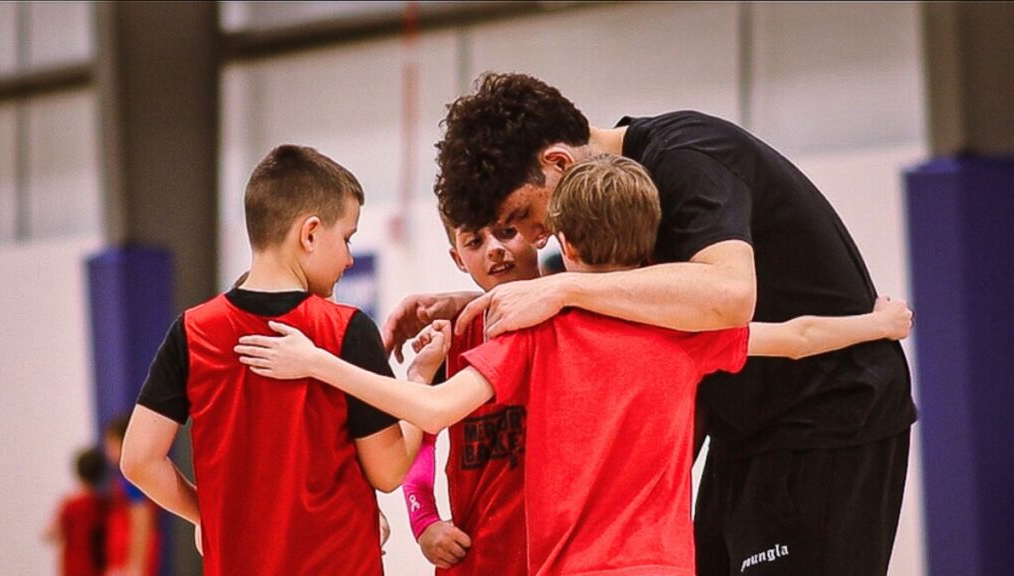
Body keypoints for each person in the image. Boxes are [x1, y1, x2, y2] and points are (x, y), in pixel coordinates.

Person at [237, 155, 913, 576]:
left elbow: (433, 410)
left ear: (560, 241)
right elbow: (793, 337)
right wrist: (878, 325)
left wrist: (318, 363)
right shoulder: (684, 332)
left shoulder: (540, 327)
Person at [380, 72, 918, 576]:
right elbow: (613, 283)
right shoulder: (620, 202)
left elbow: (729, 295)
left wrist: (558, 288)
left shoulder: (688, 158)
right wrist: (476, 302)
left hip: (828, 414)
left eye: (523, 216)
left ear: (559, 163)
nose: (536, 237)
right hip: (745, 427)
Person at [119, 144, 422, 576]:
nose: (350, 258)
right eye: (347, 238)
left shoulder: (190, 332)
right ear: (311, 233)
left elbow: (138, 460)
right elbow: (389, 470)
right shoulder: (345, 329)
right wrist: (421, 383)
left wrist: (206, 517)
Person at [402, 219, 539, 573]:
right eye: (474, 241)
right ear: (458, 258)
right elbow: (418, 439)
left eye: (507, 232)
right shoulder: (451, 339)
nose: (494, 248)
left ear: (538, 230)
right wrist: (424, 521)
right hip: (476, 559)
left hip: (555, 557)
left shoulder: (573, 318)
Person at [103, 415, 160, 576]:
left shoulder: (131, 479)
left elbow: (142, 520)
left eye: (111, 444)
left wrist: (135, 565)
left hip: (131, 557)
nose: (108, 450)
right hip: (123, 556)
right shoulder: (123, 478)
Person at [44, 447, 109, 576]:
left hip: (73, 567)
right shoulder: (104, 504)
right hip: (97, 567)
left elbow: (52, 532)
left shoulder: (70, 504)